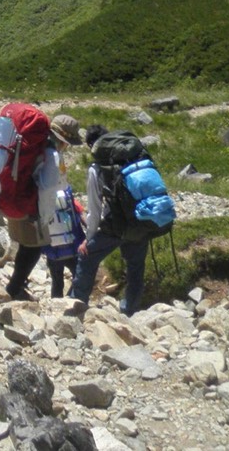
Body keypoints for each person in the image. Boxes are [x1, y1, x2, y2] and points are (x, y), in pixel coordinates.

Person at [68, 124, 149, 316]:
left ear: (91, 146)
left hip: (116, 225)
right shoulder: (132, 159)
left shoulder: (97, 168)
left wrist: (88, 238)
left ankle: (76, 306)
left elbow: (95, 210)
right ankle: (130, 310)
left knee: (87, 257)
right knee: (135, 266)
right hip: (140, 219)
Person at [3, 124, 79, 300]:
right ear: (63, 140)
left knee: (25, 247)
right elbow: (47, 188)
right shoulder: (51, 153)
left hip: (15, 199)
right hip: (32, 207)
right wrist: (44, 217)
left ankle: (16, 286)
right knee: (33, 249)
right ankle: (13, 289)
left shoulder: (36, 145)